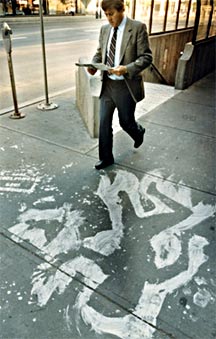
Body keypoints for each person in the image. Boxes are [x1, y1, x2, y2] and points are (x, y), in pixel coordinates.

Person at [87, 0, 152, 170]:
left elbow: (146, 57)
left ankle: (138, 132)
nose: (108, 18)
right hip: (107, 85)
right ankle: (106, 158)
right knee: (104, 123)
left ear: (122, 10)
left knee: (125, 122)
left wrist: (126, 69)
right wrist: (94, 65)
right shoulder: (104, 29)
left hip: (126, 86)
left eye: (111, 14)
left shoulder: (137, 28)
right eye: (106, 14)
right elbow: (100, 52)